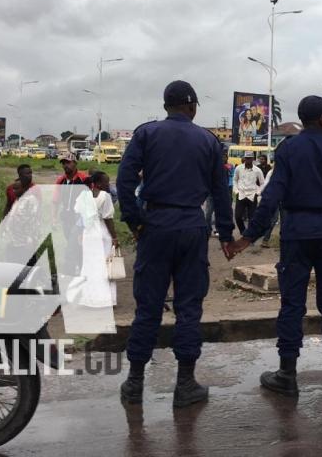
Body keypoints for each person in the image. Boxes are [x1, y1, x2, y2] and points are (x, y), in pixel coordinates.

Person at [227, 95, 322, 397]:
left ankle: (287, 374)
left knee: (292, 305)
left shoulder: (288, 150)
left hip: (296, 234)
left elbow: (271, 197)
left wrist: (248, 237)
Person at [117, 80, 234, 408]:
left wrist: (135, 219)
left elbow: (125, 179)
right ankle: (185, 384)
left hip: (155, 226)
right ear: (193, 106)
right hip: (192, 228)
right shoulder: (209, 141)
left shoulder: (146, 134)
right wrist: (225, 233)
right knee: (188, 307)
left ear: (166, 105)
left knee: (148, 306)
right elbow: (220, 192)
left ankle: (134, 383)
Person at [74, 171, 119, 308]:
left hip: (88, 234)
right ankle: (106, 299)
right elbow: (108, 219)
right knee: (104, 266)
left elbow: (80, 216)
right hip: (102, 234)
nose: (108, 184)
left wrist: (80, 232)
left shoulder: (83, 196)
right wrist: (115, 237)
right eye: (106, 181)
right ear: (98, 183)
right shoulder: (105, 196)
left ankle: (88, 298)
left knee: (89, 265)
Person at [233, 151, 265, 235]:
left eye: (249, 158)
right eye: (246, 158)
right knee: (238, 217)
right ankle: (243, 232)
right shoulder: (238, 168)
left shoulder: (257, 170)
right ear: (244, 158)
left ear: (253, 159)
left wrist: (257, 193)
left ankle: (249, 236)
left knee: (252, 218)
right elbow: (235, 180)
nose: (247, 160)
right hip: (241, 195)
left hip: (252, 195)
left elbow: (262, 183)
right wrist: (236, 191)